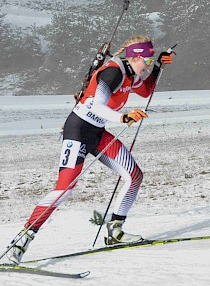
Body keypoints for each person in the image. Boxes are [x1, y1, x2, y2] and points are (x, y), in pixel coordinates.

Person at [5, 35, 174, 264]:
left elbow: (146, 91)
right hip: (78, 130)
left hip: (97, 133)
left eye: (150, 60)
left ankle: (115, 231)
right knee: (65, 188)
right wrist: (123, 117)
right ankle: (21, 241)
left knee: (134, 176)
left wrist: (159, 67)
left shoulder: (132, 73)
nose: (147, 64)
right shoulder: (114, 72)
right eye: (147, 60)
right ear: (134, 56)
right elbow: (95, 105)